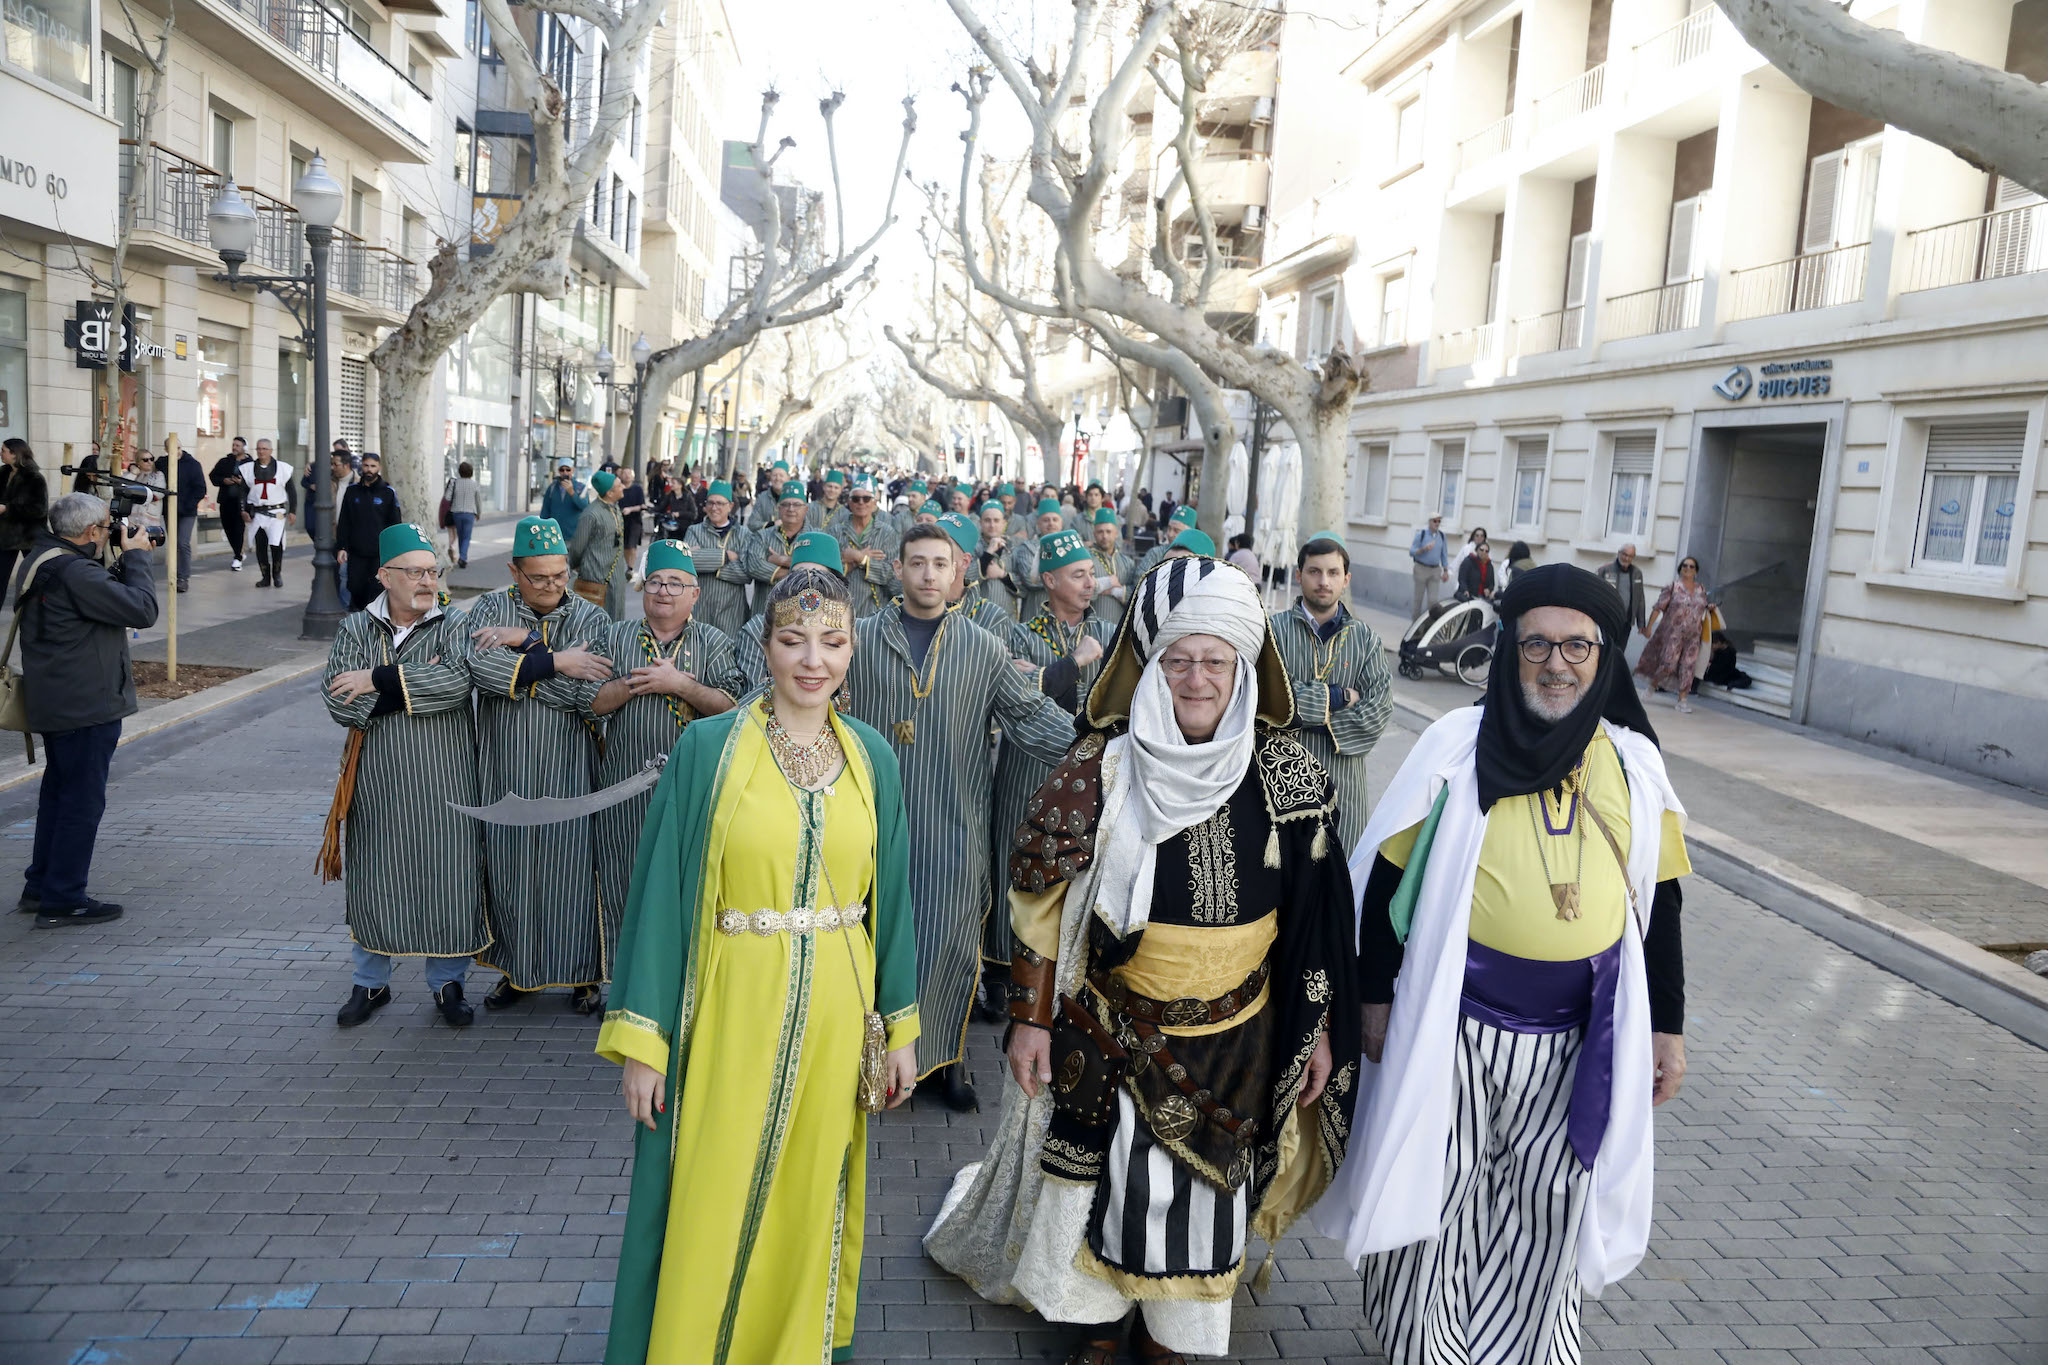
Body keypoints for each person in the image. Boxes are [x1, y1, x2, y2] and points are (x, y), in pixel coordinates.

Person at [926, 557, 1361, 1363]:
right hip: (1108, 1022)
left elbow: (1318, 928)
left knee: (1201, 1195)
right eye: (1179, 658)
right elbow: (1040, 901)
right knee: (1094, 1183)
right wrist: (1028, 1020)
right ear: (1152, 665)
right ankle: (1095, 1322)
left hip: (1238, 1037)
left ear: (1244, 667)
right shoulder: (1102, 766)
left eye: (1216, 660)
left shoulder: (1289, 775)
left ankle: (1172, 1334)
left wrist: (1321, 1032)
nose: (1197, 678)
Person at [1321, 563, 1691, 1365]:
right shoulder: (1456, 746)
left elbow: (1663, 907)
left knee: (1551, 1196)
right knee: (1439, 1191)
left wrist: (1669, 1026)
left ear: (1604, 658)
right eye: (1536, 645)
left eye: (1577, 646)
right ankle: (1427, 1345)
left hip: (1580, 1035)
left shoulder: (1634, 765)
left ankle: (1528, 1347)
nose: (1556, 663)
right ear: (1508, 651)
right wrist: (1374, 996)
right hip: (1453, 1020)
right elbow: (1386, 876)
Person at [597, 566, 920, 1365]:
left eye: (832, 641)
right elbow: (661, 897)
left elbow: (896, 902)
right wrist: (644, 1041)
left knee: (809, 1200)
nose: (813, 659)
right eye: (792, 639)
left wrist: (901, 1028)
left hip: (836, 1023)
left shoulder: (873, 756)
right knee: (713, 1191)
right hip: (729, 1010)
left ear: (852, 650)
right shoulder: (707, 750)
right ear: (764, 645)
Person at [844, 522, 1074, 1113]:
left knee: (949, 943)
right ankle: (870, 1058)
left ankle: (943, 1060)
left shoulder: (981, 646)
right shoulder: (860, 638)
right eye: (916, 563)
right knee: (870, 939)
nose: (927, 575)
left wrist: (1102, 753)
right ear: (897, 568)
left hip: (955, 822)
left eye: (938, 565)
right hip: (869, 820)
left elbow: (1029, 716)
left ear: (957, 573)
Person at [321, 523, 486, 1029]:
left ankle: (448, 984)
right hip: (377, 783)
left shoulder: (454, 625)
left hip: (448, 780)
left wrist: (378, 678)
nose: (427, 581)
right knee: (375, 879)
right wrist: (417, 682)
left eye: (433, 571)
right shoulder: (354, 629)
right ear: (384, 576)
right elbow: (338, 701)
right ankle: (370, 984)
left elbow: (457, 684)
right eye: (415, 572)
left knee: (450, 879)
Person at [464, 516, 616, 1013]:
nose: (553, 586)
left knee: (571, 867)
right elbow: (482, 672)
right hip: (503, 763)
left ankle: (584, 976)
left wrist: (527, 649)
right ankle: (519, 972)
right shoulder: (487, 609)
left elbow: (588, 693)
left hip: (570, 765)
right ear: (514, 571)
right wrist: (555, 661)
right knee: (510, 867)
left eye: (559, 575)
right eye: (539, 578)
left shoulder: (591, 618)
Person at [584, 541, 741, 979]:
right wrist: (641, 683)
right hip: (623, 785)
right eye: (655, 582)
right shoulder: (614, 636)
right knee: (621, 879)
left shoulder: (715, 642)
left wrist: (680, 686)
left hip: (697, 788)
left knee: (688, 883)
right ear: (642, 589)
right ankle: (619, 981)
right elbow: (589, 701)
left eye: (676, 583)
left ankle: (684, 983)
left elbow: (733, 707)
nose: (664, 592)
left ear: (695, 594)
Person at [979, 528, 1114, 1015]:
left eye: (1092, 574)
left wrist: (1052, 676)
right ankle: (1000, 970)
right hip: (1024, 768)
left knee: (1075, 863)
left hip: (1087, 772)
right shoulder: (1018, 633)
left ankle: (1065, 968)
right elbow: (1022, 693)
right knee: (1014, 857)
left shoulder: (1109, 631)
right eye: (1078, 575)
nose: (1089, 583)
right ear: (1051, 581)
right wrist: (1071, 666)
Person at [15, 492, 158, 927]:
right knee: (80, 801)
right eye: (106, 529)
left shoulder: (44, 556)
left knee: (59, 796)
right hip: (85, 703)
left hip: (58, 697)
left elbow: (98, 603)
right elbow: (143, 609)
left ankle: (41, 886)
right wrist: (136, 560)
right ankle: (64, 898)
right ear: (92, 531)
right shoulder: (75, 571)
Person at [1267, 533, 1394, 855]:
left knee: (1338, 885)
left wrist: (1302, 717)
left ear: (1346, 579)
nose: (1324, 581)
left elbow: (1377, 712)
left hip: (1344, 787)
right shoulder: (1272, 631)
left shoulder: (1366, 640)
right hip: (1278, 783)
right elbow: (1267, 696)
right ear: (1299, 575)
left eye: (1333, 572)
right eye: (1314, 571)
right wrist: (1335, 699)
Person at [732, 530, 843, 695]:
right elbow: (750, 698)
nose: (805, 583)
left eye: (816, 576)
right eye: (796, 575)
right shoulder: (757, 629)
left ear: (836, 583)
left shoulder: (848, 630)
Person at [1636, 555, 1711, 713]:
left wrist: (1709, 607)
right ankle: (1653, 685)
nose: (1687, 569)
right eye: (1685, 566)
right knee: (1668, 664)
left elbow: (1702, 607)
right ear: (1680, 569)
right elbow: (1658, 608)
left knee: (1688, 666)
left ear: (1696, 571)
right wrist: (1649, 627)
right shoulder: (1673, 586)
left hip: (1693, 636)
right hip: (1673, 634)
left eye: (1691, 566)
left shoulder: (1701, 589)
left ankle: (1682, 700)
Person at [680, 479, 753, 641]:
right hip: (700, 609)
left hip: (732, 611)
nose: (714, 508)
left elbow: (746, 572)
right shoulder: (694, 531)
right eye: (710, 503)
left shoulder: (743, 534)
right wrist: (726, 556)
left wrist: (711, 565)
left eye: (720, 503)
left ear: (730, 506)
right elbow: (689, 562)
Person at [334, 453, 403, 610]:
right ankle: (359, 616)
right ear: (361, 467)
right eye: (366, 465)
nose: (369, 469)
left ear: (379, 468)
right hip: (356, 551)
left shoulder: (388, 492)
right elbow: (344, 521)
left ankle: (373, 621)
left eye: (373, 466)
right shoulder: (352, 492)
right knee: (355, 586)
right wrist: (342, 547)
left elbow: (395, 523)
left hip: (379, 553)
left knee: (377, 589)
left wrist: (394, 551)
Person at [832, 478, 900, 617]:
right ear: (849, 502)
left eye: (866, 498)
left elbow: (891, 573)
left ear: (874, 502)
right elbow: (829, 572)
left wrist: (860, 559)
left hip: (875, 610)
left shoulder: (887, 533)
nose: (861, 503)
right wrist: (851, 563)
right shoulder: (836, 532)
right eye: (856, 499)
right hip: (839, 608)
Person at [568, 470, 629, 620]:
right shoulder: (591, 514)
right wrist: (575, 566)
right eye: (619, 485)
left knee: (617, 619)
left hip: (617, 577)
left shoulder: (614, 508)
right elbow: (577, 548)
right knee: (597, 620)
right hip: (596, 577)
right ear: (609, 493)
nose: (623, 487)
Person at [239, 439, 296, 588]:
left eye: (264, 449)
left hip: (276, 512)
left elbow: (292, 491)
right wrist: (243, 509)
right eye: (258, 449)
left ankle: (277, 575)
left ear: (271, 450)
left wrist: (293, 511)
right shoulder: (248, 469)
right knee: (261, 546)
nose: (261, 451)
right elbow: (243, 492)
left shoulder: (283, 469)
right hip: (257, 513)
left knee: (276, 545)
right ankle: (265, 576)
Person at [0, 438, 51, 600]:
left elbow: (39, 509)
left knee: (36, 578)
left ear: (15, 454)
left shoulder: (34, 478)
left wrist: (8, 508)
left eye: (3, 450)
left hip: (31, 536)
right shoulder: (2, 473)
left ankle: (40, 613)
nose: (1, 453)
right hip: (5, 536)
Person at [745, 481, 812, 595]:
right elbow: (753, 567)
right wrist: (800, 571)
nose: (791, 509)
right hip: (765, 609)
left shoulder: (816, 537)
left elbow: (820, 572)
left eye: (796, 504)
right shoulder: (762, 536)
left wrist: (783, 561)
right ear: (779, 508)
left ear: (805, 509)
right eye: (786, 504)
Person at [1011, 498, 1068, 622]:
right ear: (1038, 524)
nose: (1051, 523)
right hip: (1035, 613)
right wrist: (1066, 580)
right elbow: (1031, 580)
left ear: (1061, 523)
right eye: (1046, 520)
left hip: (1065, 615)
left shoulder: (1070, 547)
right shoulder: (1028, 548)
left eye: (1055, 519)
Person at [967, 500, 1020, 620]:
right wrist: (988, 552)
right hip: (979, 618)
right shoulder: (972, 548)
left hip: (1008, 617)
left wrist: (1002, 574)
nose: (992, 525)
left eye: (996, 520)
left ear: (1004, 523)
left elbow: (1023, 586)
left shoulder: (1013, 548)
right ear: (980, 523)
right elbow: (967, 579)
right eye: (987, 520)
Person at [209, 437, 250, 569]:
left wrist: (241, 482)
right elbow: (213, 476)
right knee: (228, 528)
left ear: (244, 447)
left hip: (242, 503)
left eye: (238, 445)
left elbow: (255, 483)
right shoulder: (225, 461)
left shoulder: (251, 463)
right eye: (233, 445)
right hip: (226, 501)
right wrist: (224, 480)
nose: (234, 447)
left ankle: (237, 558)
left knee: (238, 529)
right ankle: (238, 552)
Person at [1131, 503, 1197, 583]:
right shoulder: (1156, 554)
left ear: (1189, 534)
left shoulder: (1196, 559)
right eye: (1169, 528)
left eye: (1176, 530)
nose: (1170, 534)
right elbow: (1139, 579)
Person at [173, 439, 206, 593]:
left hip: (187, 511)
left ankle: (183, 577)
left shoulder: (192, 464)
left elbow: (200, 488)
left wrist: (189, 505)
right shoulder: (163, 463)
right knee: (174, 544)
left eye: (179, 447)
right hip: (171, 510)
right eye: (173, 448)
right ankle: (175, 575)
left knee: (183, 542)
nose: (176, 451)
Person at [1086, 507, 1134, 612]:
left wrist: (1116, 591)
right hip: (1091, 626)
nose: (1104, 536)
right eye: (1100, 532)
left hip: (1120, 626)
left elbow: (1137, 594)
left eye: (1108, 531)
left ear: (1116, 533)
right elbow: (1079, 591)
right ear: (1094, 534)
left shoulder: (1128, 563)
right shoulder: (1086, 560)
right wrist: (1104, 584)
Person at [1598, 542, 1648, 640]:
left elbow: (1640, 598)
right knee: (1606, 648)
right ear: (1619, 553)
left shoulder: (1637, 573)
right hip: (1608, 619)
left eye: (1630, 556)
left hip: (1627, 621)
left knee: (1620, 651)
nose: (1627, 559)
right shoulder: (1605, 570)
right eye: (1625, 554)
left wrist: (1641, 623)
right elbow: (1596, 594)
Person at [1408, 513, 1450, 618]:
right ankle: (1416, 627)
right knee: (1418, 599)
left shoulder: (1442, 536)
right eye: (1435, 521)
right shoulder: (1421, 534)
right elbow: (1412, 551)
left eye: (1439, 521)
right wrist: (1423, 549)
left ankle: (1429, 626)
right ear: (1429, 522)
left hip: (1435, 570)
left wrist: (1445, 570)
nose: (1437, 523)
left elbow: (1444, 554)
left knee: (1433, 601)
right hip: (1421, 568)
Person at [541, 460, 589, 541]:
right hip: (554, 535)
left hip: (574, 536)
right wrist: (543, 531)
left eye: (568, 469)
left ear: (572, 470)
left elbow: (585, 507)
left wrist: (572, 493)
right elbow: (545, 511)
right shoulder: (552, 488)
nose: (565, 472)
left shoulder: (581, 488)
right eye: (562, 470)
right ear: (558, 471)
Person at [448, 461, 483, 568]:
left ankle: (462, 557)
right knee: (466, 537)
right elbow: (478, 500)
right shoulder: (475, 484)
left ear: (459, 472)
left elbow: (448, 497)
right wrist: (479, 513)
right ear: (471, 472)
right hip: (469, 513)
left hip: (456, 513)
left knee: (460, 535)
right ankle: (463, 558)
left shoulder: (454, 483)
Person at [1455, 535, 1498, 601]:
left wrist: (1489, 589)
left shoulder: (1489, 565)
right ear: (1477, 550)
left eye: (1486, 551)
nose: (1484, 552)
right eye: (1481, 550)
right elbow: (1462, 579)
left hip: (1482, 597)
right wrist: (1465, 590)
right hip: (1468, 595)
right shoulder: (1468, 561)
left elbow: (1492, 583)